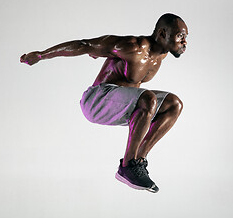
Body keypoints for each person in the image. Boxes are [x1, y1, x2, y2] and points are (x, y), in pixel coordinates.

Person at [20, 13, 188, 193]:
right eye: (181, 37)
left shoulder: (160, 56)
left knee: (174, 104)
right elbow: (84, 45)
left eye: (186, 38)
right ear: (162, 34)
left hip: (122, 105)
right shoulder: (133, 47)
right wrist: (41, 55)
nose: (184, 43)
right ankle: (128, 165)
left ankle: (138, 161)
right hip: (96, 100)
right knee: (148, 98)